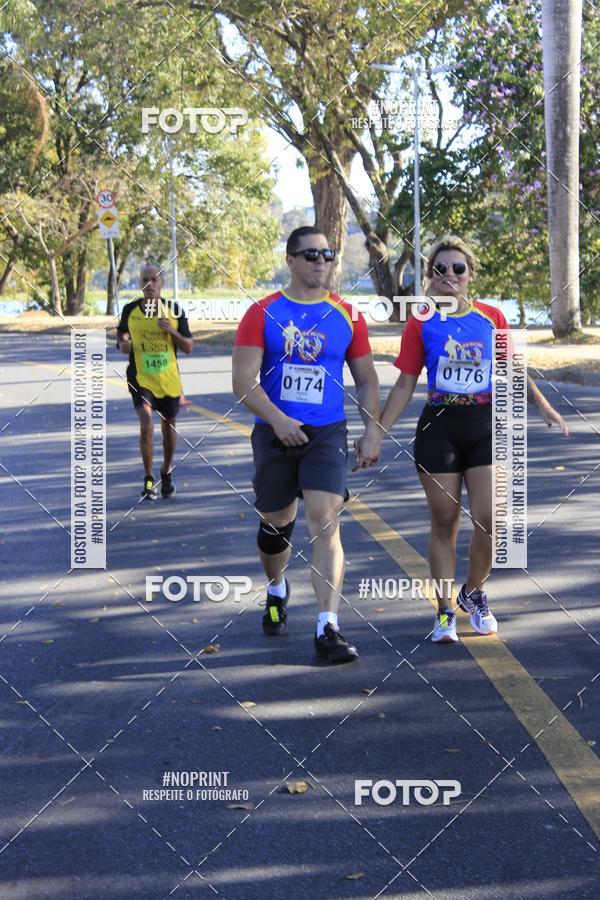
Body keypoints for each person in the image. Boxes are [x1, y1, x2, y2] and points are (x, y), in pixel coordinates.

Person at [368, 236, 569, 643]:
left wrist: (543, 406)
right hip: (438, 428)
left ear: (470, 275)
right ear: (430, 277)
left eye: (458, 268)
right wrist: (376, 433)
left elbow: (513, 369)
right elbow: (406, 384)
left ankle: (473, 592)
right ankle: (444, 612)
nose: (449, 276)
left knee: (491, 518)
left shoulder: (492, 317)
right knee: (445, 520)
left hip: (484, 426)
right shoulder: (421, 321)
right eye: (440, 269)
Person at [232, 226, 380, 662]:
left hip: (327, 432)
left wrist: (372, 430)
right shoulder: (262, 313)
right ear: (290, 260)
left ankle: (327, 627)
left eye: (328, 254)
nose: (321, 261)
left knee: (325, 519)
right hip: (274, 430)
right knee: (276, 524)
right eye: (311, 254)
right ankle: (277, 588)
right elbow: (243, 382)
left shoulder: (348, 315)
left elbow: (367, 379)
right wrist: (277, 420)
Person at [117, 263, 193, 500]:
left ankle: (166, 472)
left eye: (154, 279)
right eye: (145, 280)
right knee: (146, 424)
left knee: (168, 426)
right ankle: (149, 478)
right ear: (140, 284)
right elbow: (121, 341)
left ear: (161, 283)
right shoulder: (130, 310)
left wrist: (172, 330)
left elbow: (188, 346)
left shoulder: (174, 310)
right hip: (140, 377)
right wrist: (125, 345)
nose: (150, 284)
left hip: (168, 379)